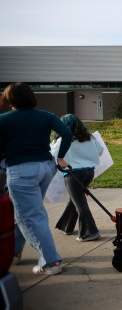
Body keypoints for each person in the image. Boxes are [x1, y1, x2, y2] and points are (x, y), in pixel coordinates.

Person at [0, 82, 72, 275]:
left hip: (20, 172)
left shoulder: (3, 120)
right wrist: (60, 157)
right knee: (24, 212)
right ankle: (14, 251)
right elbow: (66, 133)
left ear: (10, 100)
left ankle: (51, 261)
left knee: (30, 217)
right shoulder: (45, 116)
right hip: (46, 168)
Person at [51, 114, 104, 242]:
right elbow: (100, 151)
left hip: (73, 175)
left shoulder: (63, 140)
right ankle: (66, 226)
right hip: (89, 172)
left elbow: (52, 155)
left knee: (79, 203)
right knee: (75, 199)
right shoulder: (89, 138)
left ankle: (89, 232)